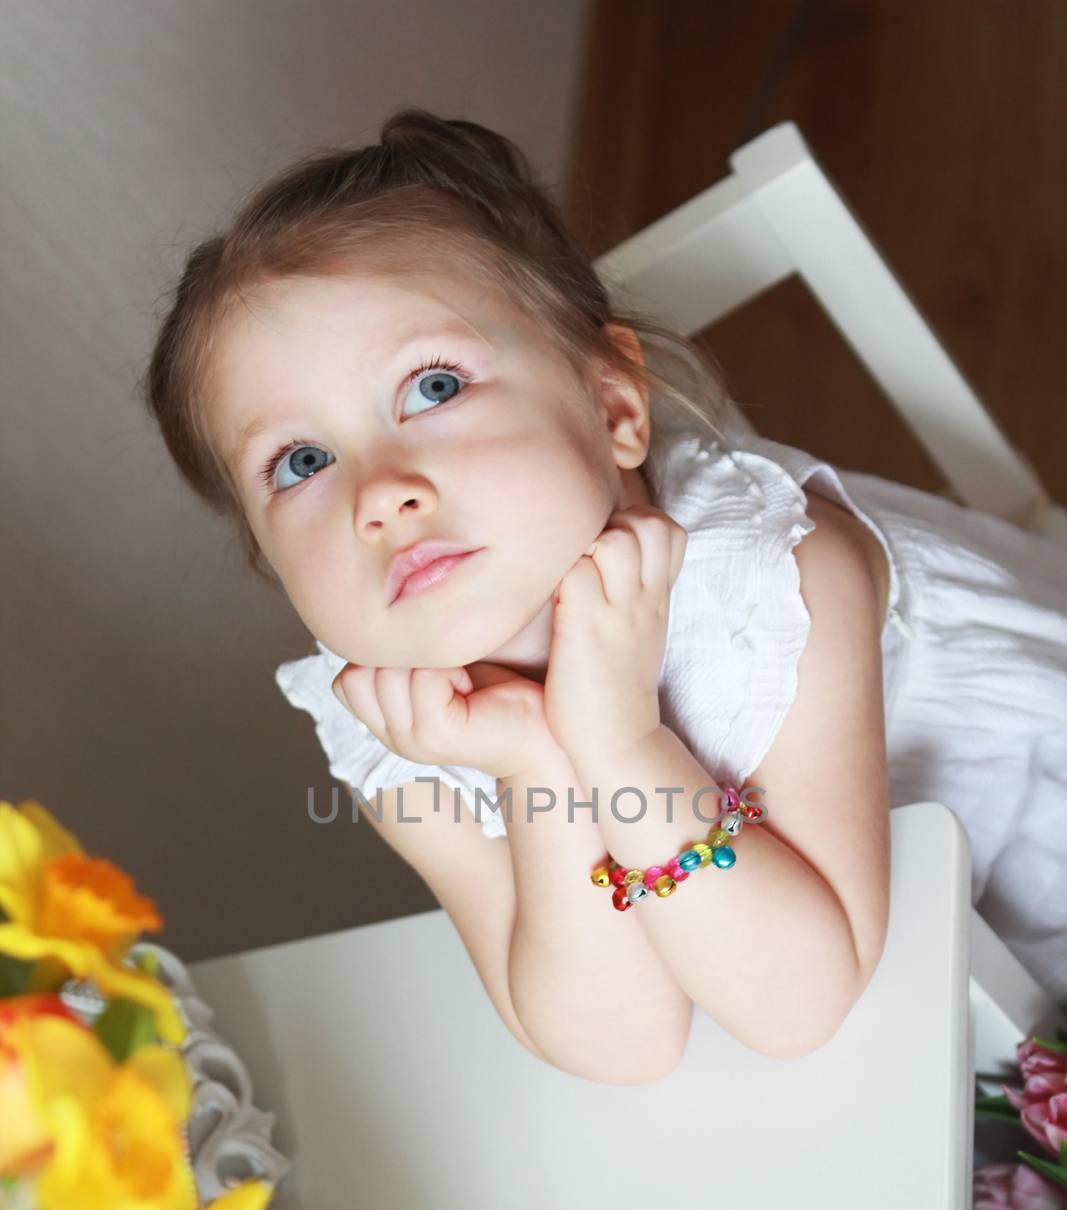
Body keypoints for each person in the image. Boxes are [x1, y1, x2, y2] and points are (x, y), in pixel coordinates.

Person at [141, 106, 1067, 1089]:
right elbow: (622, 1043)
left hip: (1024, 864)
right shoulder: (396, 725)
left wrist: (620, 740)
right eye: (301, 460)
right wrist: (531, 761)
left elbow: (798, 1002)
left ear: (614, 408)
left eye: (434, 387)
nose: (379, 493)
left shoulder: (773, 578)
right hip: (913, 985)